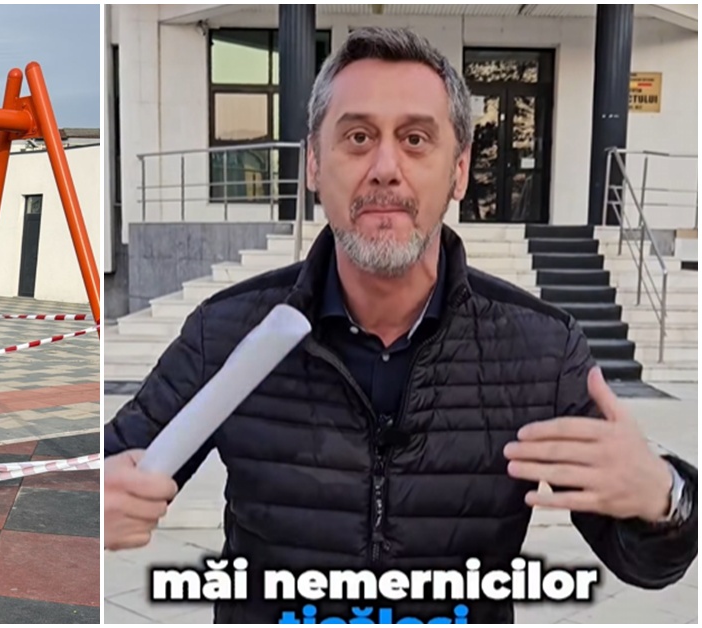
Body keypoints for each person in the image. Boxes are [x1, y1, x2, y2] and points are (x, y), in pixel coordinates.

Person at [103, 27, 697, 624]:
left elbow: (647, 560)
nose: (386, 167)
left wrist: (663, 499)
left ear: (459, 171)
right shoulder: (228, 331)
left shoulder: (541, 349)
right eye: (358, 137)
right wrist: (89, 502)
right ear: (313, 163)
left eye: (416, 140)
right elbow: (101, 471)